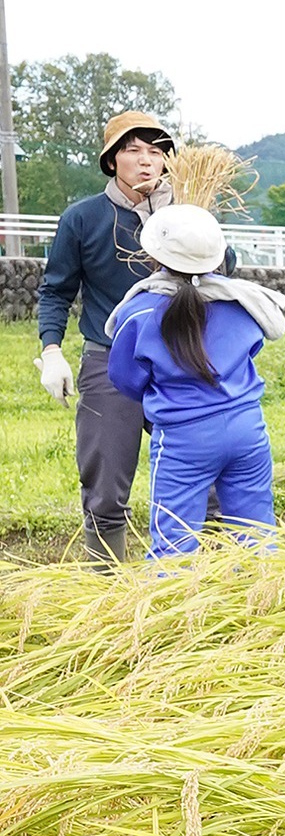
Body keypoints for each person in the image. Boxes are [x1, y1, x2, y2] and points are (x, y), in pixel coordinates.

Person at [36, 111, 181, 562]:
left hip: (180, 361)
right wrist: (52, 350)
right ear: (111, 159)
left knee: (197, 480)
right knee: (104, 487)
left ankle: (196, 586)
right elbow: (55, 291)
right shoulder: (83, 218)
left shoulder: (185, 215)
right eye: (133, 150)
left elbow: (224, 264)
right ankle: (108, 592)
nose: (145, 161)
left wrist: (182, 223)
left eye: (155, 152)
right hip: (109, 360)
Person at [105, 205, 285, 559]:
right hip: (247, 428)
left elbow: (125, 377)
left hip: (183, 437)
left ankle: (173, 610)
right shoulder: (243, 302)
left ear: (154, 255)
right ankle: (264, 606)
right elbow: (251, 350)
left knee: (174, 544)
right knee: (257, 538)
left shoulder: (141, 310)